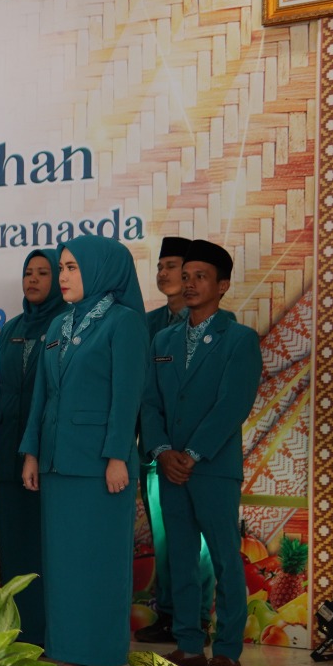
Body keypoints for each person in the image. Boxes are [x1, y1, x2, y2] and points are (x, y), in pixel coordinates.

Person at [21, 235, 149, 666]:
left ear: (101, 270)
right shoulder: (60, 323)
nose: (63, 276)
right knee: (63, 566)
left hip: (99, 464)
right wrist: (32, 451)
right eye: (62, 267)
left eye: (72, 267)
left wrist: (117, 456)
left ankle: (100, 656)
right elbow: (42, 394)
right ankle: (67, 650)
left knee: (99, 563)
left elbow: (127, 396)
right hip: (57, 461)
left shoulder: (124, 322)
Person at [141, 240, 262, 666]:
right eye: (186, 276)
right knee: (180, 557)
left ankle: (227, 650)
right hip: (169, 467)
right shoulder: (163, 339)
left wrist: (191, 454)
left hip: (212, 468)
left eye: (201, 277)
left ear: (223, 285)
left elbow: (233, 405)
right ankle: (189, 646)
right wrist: (161, 451)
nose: (189, 284)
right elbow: (149, 403)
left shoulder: (239, 339)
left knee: (226, 558)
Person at [0, 249, 65, 645]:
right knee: (15, 549)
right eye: (28, 273)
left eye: (43, 273)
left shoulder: (65, 325)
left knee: (47, 550)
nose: (33, 280)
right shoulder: (12, 328)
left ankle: (50, 634)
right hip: (8, 452)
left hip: (47, 456)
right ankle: (20, 635)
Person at [134, 236, 203, 644]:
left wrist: (189, 450)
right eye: (160, 266)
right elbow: (142, 392)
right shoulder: (147, 325)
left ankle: (198, 618)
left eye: (171, 265)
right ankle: (170, 615)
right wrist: (156, 446)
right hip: (156, 451)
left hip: (196, 456)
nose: (163, 273)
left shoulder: (215, 325)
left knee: (200, 542)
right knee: (163, 537)